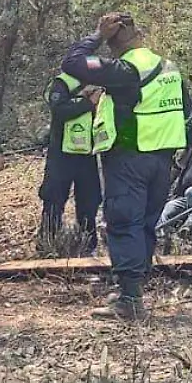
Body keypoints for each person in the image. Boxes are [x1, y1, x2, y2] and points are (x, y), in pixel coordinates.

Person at [61, 12, 192, 321]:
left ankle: (130, 299)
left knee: (124, 222)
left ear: (113, 38)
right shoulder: (169, 68)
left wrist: (95, 35)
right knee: (146, 223)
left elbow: (72, 63)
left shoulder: (124, 69)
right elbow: (186, 110)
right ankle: (133, 290)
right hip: (162, 160)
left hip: (129, 156)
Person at [39, 70, 114, 254]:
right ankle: (47, 246)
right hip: (61, 155)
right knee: (53, 200)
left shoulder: (101, 83)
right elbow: (60, 111)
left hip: (87, 155)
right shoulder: (62, 83)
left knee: (89, 202)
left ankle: (88, 247)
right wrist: (87, 103)